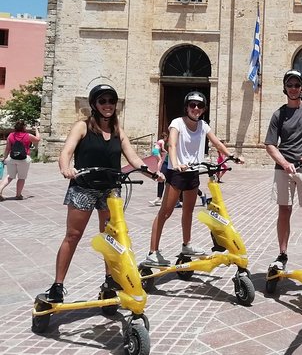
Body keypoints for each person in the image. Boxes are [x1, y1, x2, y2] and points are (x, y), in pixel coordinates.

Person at [44, 84, 164, 302]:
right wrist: (65, 168)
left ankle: (109, 280)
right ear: (94, 104)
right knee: (73, 235)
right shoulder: (82, 127)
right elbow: (67, 152)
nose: (108, 105)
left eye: (111, 101)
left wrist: (153, 174)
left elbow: (134, 159)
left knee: (111, 237)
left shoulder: (118, 130)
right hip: (84, 187)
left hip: (110, 189)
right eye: (103, 101)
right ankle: (57, 285)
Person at [143, 91, 243, 266]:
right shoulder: (177, 123)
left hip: (193, 172)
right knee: (165, 212)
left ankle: (187, 244)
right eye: (192, 105)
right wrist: (175, 163)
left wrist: (232, 156)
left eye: (200, 105)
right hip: (177, 173)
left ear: (203, 109)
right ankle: (153, 252)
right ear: (186, 107)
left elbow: (217, 143)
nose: (196, 108)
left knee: (188, 211)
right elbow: (171, 144)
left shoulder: (203, 125)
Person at [264, 69, 302, 272]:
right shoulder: (279, 114)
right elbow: (271, 145)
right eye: (290, 85)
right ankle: (282, 254)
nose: (293, 88)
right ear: (285, 88)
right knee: (284, 211)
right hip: (284, 169)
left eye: (297, 85)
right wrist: (283, 162)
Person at [0, 120, 40, 200]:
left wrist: (4, 158)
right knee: (21, 177)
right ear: (24, 127)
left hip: (12, 158)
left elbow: (7, 149)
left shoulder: (11, 135)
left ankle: (0, 189)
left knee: (10, 176)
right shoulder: (27, 135)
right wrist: (36, 129)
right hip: (24, 159)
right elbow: (38, 139)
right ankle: (18, 195)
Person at [149, 132, 169, 206]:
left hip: (173, 164)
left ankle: (201, 195)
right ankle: (158, 198)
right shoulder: (165, 142)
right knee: (161, 178)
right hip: (166, 163)